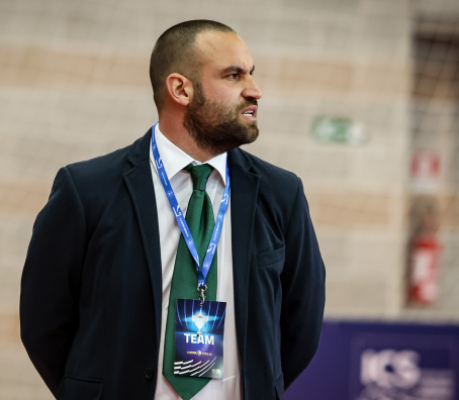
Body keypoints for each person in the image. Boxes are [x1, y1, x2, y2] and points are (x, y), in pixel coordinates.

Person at [20, 19, 325, 400]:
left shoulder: (281, 193)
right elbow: (44, 323)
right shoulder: (87, 190)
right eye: (233, 75)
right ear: (181, 89)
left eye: (251, 73)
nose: (254, 90)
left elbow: (302, 325)